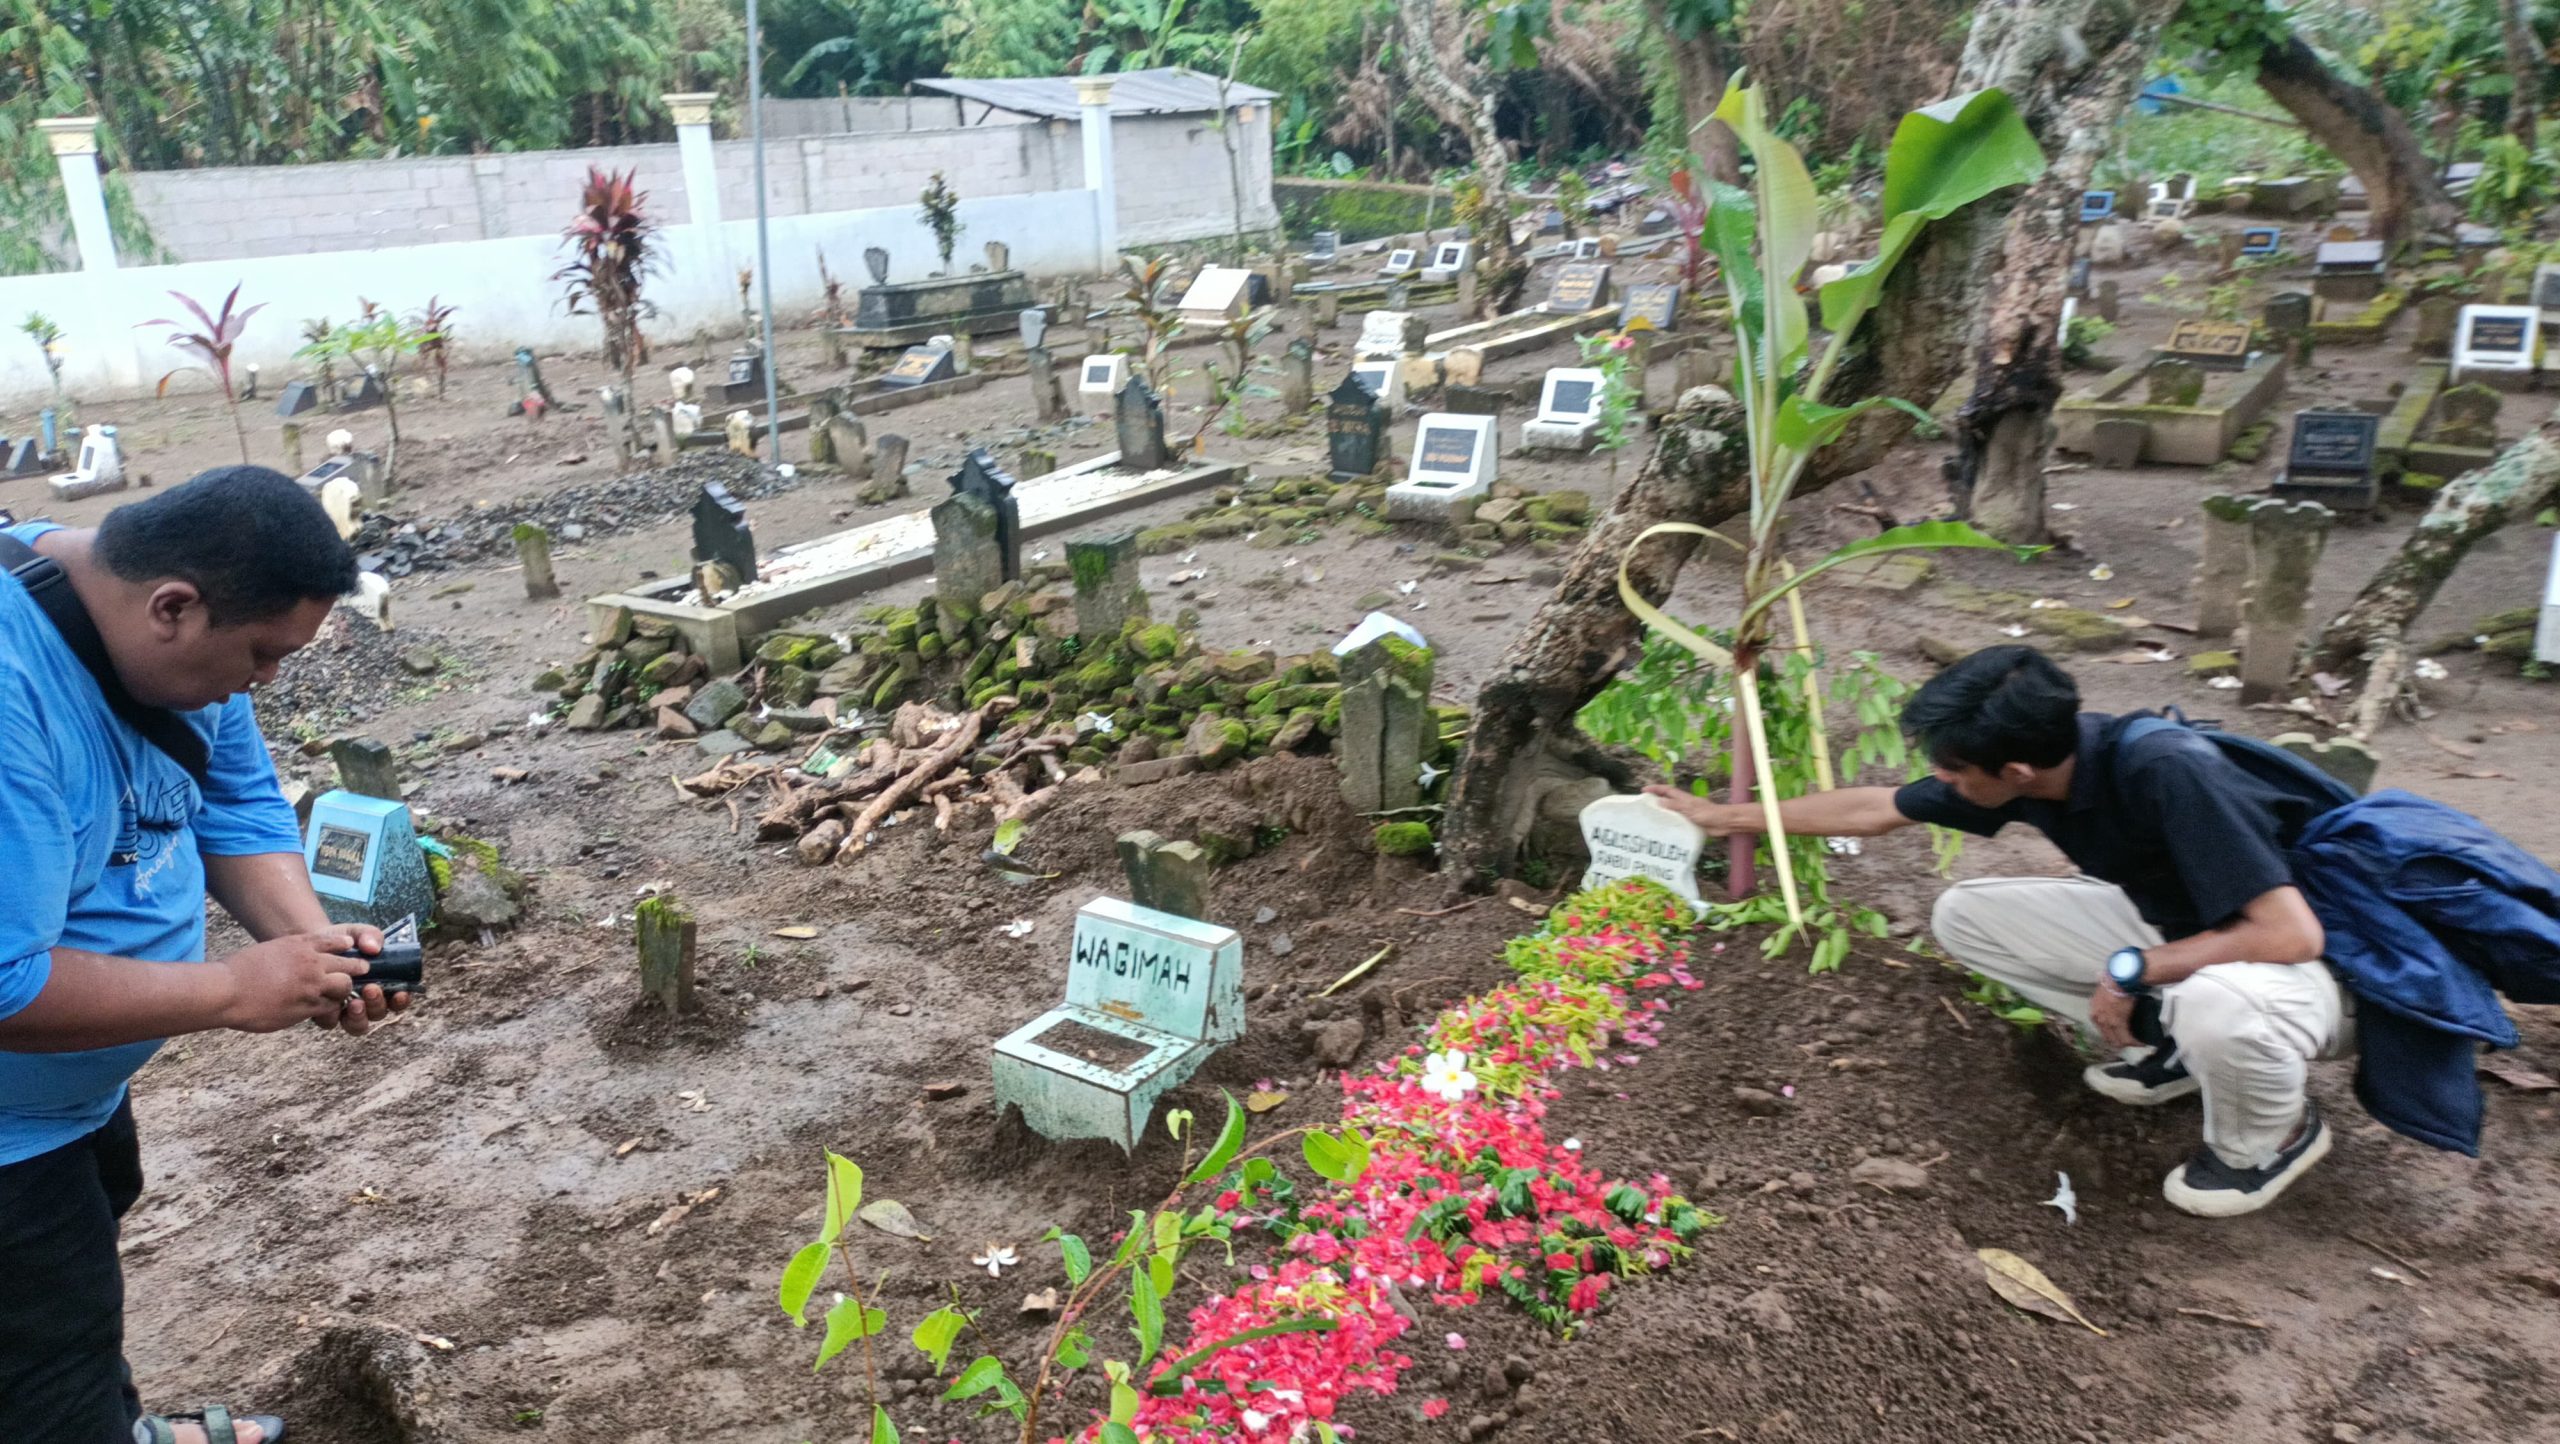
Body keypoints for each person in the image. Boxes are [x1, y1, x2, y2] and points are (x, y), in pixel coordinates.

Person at [1647, 644, 2353, 1219]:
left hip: (2326, 976)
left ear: (2014, 771)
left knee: (2217, 1006)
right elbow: (1875, 808)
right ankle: (2174, 1047)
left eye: (1952, 773)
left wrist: (2136, 968)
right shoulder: (2048, 763)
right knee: (1966, 915)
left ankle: (2270, 1137)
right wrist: (1723, 817)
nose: (1940, 782)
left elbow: (2291, 934)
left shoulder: (2168, 770)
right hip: (2190, 930)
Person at [0, 467, 409, 1444]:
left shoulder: (160, 641)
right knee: (49, 1356)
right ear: (173, 608)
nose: (263, 683)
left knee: (71, 1303)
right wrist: (233, 986)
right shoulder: (13, 693)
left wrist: (303, 937)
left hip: (69, 1101)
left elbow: (233, 796)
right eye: (261, 655)